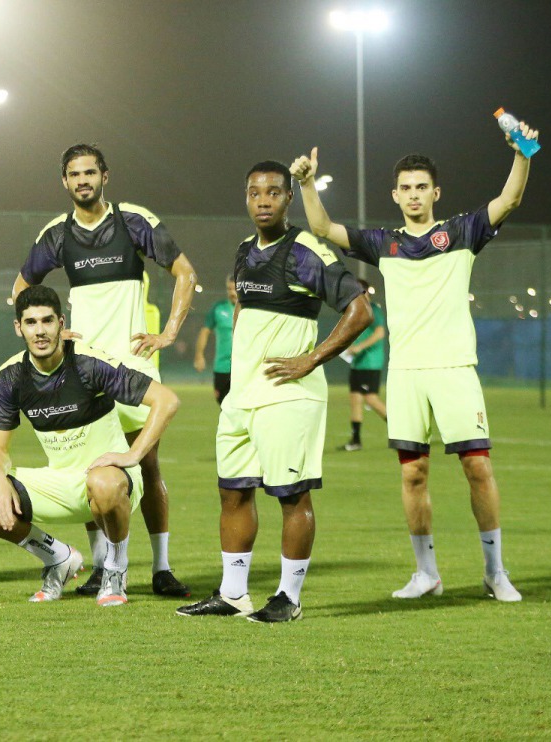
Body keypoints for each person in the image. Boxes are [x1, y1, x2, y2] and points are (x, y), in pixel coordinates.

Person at [291, 118, 539, 602]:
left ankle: (495, 571)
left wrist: (522, 154)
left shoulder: (463, 232)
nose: (413, 194)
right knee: (412, 472)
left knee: (478, 468)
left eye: (421, 187)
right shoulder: (384, 243)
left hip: (454, 369)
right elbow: (321, 226)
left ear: (436, 193)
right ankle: (426, 573)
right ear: (395, 194)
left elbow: (509, 199)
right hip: (405, 373)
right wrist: (305, 183)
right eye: (405, 188)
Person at [177, 161, 370, 623]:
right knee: (233, 493)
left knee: (291, 495)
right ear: (246, 198)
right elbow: (244, 309)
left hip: (288, 394)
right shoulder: (244, 250)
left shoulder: (305, 250)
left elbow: (359, 310)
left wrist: (311, 358)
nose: (263, 200)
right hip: (241, 397)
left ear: (288, 198)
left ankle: (288, 597)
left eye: (273, 193)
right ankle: (233, 594)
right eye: (254, 193)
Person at [12, 143, 197, 598]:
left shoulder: (133, 222)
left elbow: (186, 273)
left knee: (147, 466)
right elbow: (21, 288)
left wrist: (169, 333)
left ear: (105, 176)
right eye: (74, 174)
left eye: (89, 172)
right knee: (88, 468)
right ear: (64, 181)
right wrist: (57, 332)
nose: (82, 181)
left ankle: (161, 567)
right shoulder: (57, 232)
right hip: (82, 370)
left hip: (132, 365)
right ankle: (103, 567)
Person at [0, 286, 180, 607]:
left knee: (103, 480)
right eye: (31, 323)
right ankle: (58, 557)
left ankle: (115, 570)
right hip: (60, 483)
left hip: (111, 484)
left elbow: (166, 400)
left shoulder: (89, 363)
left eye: (47, 321)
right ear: (18, 328)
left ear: (61, 322)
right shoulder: (11, 375)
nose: (40, 330)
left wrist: (133, 455)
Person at [340, 279, 388, 451]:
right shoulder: (354, 310)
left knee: (371, 398)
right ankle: (355, 440)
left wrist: (359, 347)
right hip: (357, 363)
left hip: (370, 362)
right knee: (355, 399)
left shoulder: (373, 310)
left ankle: (400, 432)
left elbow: (380, 332)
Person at [194, 275, 238, 405]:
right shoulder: (219, 308)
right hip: (222, 367)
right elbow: (205, 331)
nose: (232, 292)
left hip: (242, 367)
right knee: (223, 405)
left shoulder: (250, 309)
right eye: (229, 289)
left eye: (235, 289)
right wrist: (199, 355)